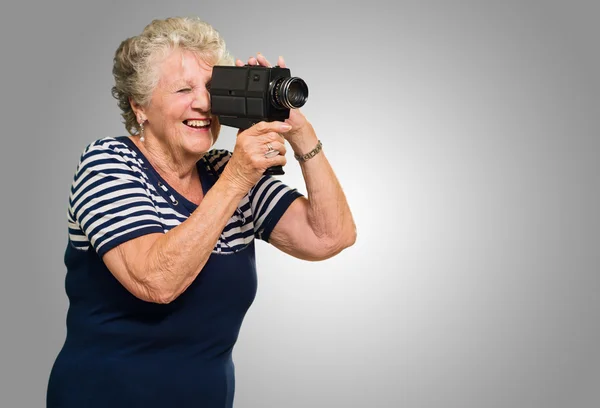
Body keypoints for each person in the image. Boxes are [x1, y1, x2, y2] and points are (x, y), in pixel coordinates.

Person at [46, 16, 356, 408]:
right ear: (138, 105)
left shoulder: (224, 171)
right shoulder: (108, 163)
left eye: (209, 89)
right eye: (182, 89)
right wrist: (238, 179)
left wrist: (299, 132)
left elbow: (330, 237)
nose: (203, 103)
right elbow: (156, 282)